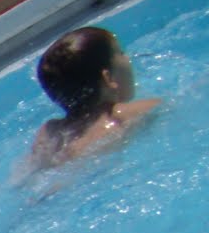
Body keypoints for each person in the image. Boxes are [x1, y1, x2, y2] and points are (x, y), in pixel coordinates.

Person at [28, 26, 160, 168]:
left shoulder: (50, 132)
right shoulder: (124, 115)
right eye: (121, 53)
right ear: (108, 78)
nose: (128, 58)